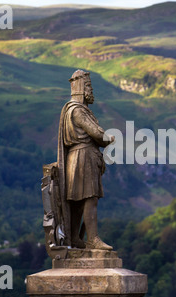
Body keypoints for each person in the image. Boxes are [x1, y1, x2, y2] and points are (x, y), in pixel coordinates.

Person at [57, 69, 114, 250]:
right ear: (81, 87)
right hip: (83, 158)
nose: (91, 91)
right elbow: (97, 134)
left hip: (78, 158)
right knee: (89, 199)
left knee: (79, 200)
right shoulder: (77, 111)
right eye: (89, 86)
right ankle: (92, 239)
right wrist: (109, 138)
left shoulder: (73, 110)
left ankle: (75, 238)